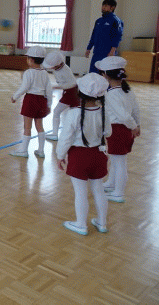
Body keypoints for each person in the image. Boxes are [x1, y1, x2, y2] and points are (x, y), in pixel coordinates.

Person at [56, 73, 112, 235]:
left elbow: (66, 138)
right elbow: (108, 133)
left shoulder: (73, 113)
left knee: (80, 192)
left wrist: (60, 156)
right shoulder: (103, 112)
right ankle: (102, 223)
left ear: (80, 92)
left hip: (79, 156)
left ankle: (81, 224)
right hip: (98, 155)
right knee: (98, 189)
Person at [95, 56, 140, 203]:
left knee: (119, 162)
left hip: (118, 130)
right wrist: (137, 125)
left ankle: (118, 193)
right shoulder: (127, 91)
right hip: (123, 130)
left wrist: (134, 126)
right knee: (116, 160)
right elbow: (136, 110)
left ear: (105, 75)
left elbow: (124, 115)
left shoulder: (111, 95)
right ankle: (111, 183)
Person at [10, 46, 53, 158]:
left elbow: (24, 87)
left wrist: (15, 96)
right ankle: (41, 150)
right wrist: (49, 105)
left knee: (27, 127)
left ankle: (23, 151)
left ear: (31, 59)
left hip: (30, 100)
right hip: (42, 101)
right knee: (40, 126)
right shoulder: (45, 73)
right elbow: (49, 90)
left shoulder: (28, 72)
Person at [42, 51, 78, 141]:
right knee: (73, 113)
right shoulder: (58, 68)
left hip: (71, 93)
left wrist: (55, 87)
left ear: (57, 64)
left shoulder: (65, 71)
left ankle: (55, 134)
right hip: (69, 92)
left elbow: (71, 84)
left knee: (56, 111)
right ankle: (75, 133)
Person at [85, 0, 124, 74]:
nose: (103, 7)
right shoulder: (98, 21)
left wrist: (112, 51)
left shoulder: (116, 21)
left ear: (112, 7)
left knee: (104, 74)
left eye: (106, 6)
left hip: (107, 53)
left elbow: (117, 37)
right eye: (103, 5)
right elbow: (93, 36)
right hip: (96, 52)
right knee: (93, 73)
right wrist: (88, 48)